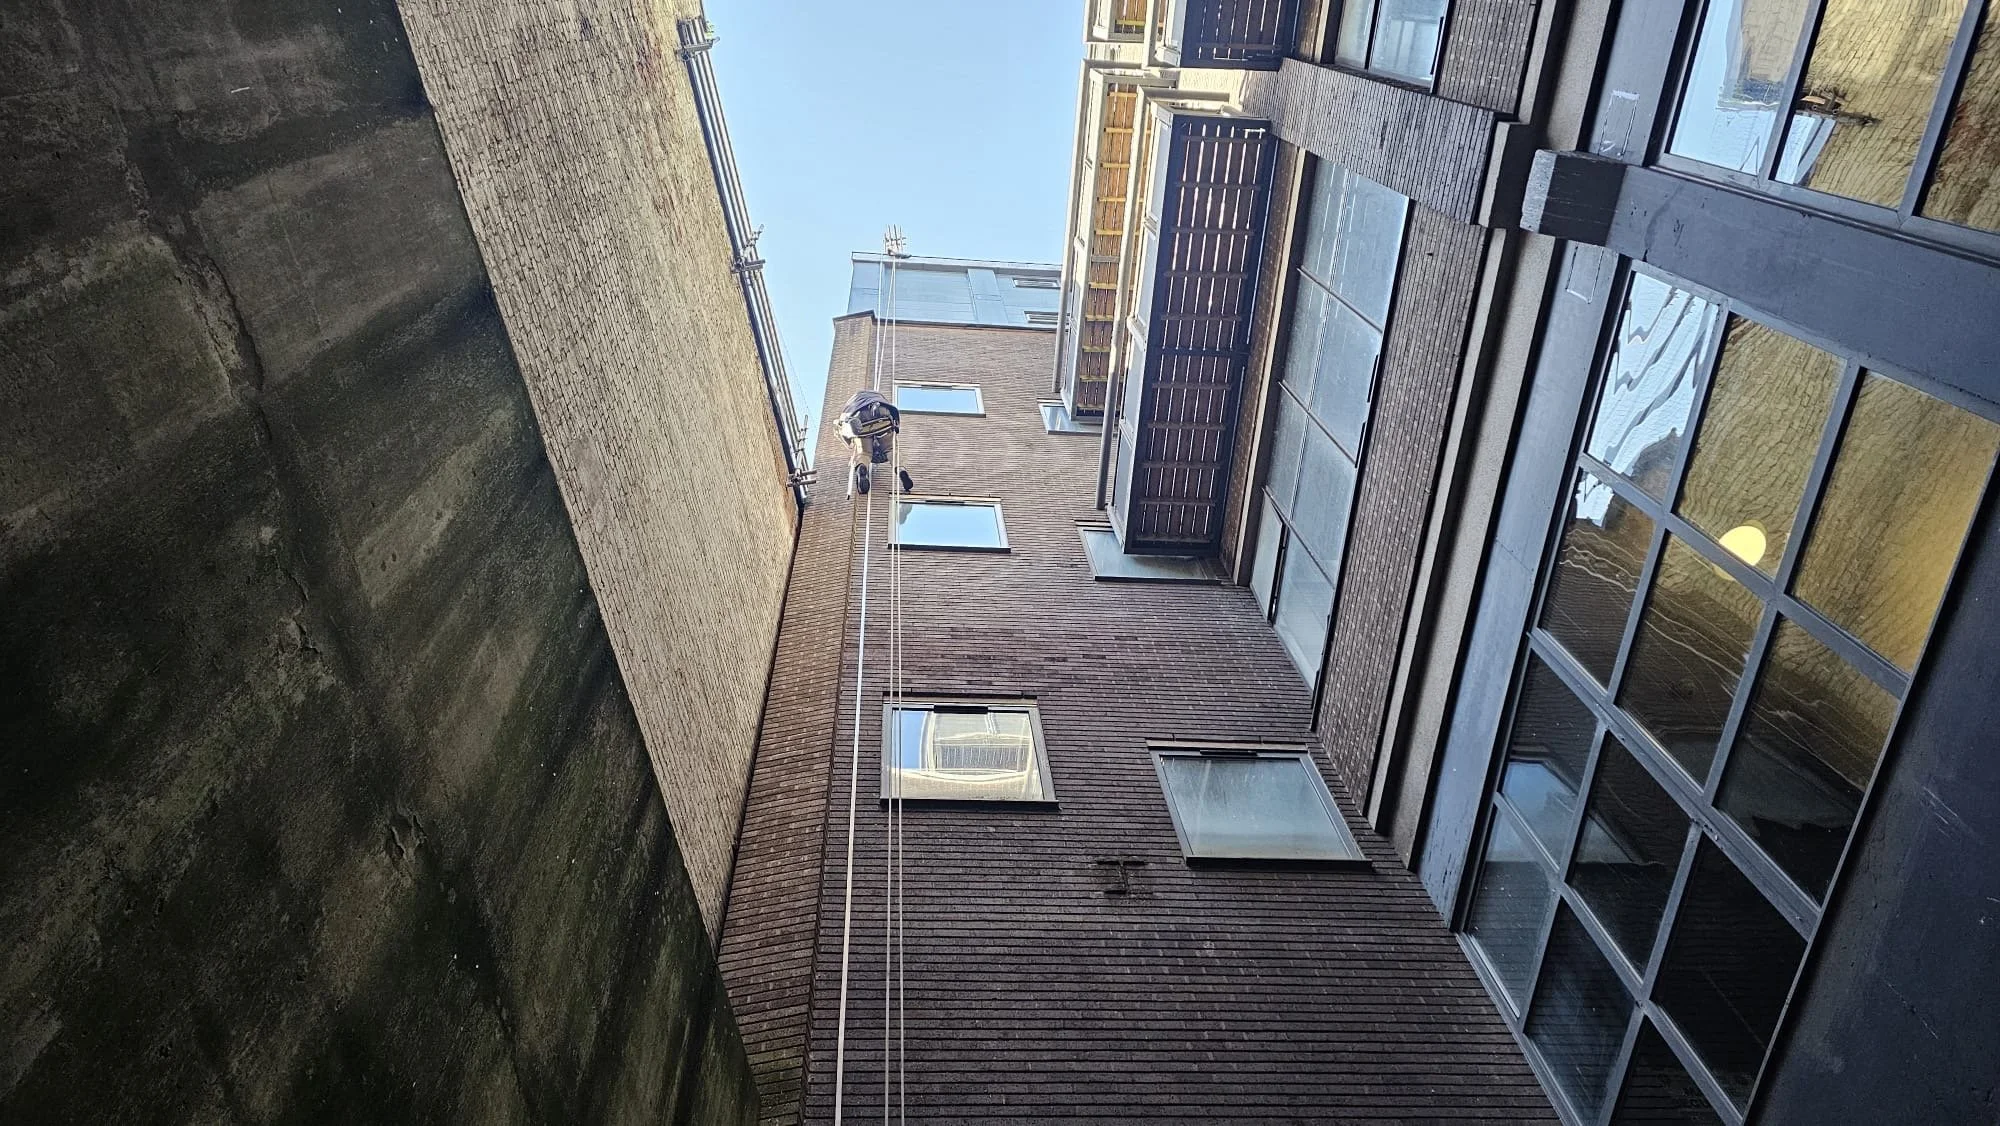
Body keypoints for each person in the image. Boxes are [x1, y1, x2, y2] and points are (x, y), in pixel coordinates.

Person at [835, 389, 914, 495]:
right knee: (891, 449)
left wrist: (850, 442)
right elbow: (895, 423)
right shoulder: (878, 396)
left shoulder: (853, 400)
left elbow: (842, 431)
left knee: (864, 453)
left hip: (859, 416)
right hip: (883, 414)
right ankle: (901, 470)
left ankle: (862, 466)